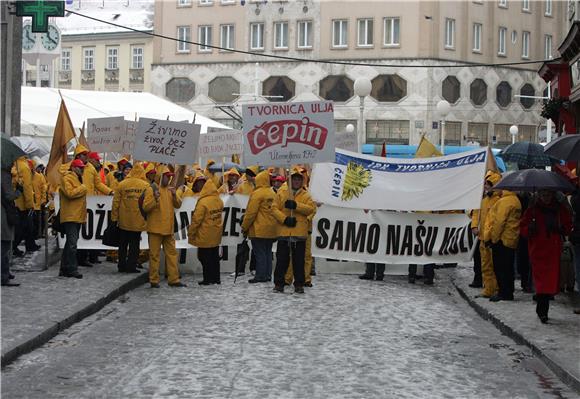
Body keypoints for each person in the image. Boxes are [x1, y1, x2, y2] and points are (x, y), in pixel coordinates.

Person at [521, 190, 572, 323]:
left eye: (548, 195)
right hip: (538, 250)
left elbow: (568, 225)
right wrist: (529, 229)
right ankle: (542, 310)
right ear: (539, 196)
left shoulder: (559, 210)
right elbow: (522, 228)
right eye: (543, 195)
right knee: (542, 280)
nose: (546, 198)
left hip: (553, 249)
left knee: (548, 280)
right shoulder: (532, 210)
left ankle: (542, 307)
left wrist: (561, 229)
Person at [272, 168, 315, 294]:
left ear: (302, 181)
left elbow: (311, 209)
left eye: (298, 179)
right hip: (284, 233)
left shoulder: (306, 195)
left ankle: (299, 284)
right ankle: (279, 284)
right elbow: (274, 209)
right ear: (290, 180)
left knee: (299, 262)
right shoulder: (282, 193)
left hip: (299, 234)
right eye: (294, 179)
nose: (296, 181)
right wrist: (284, 220)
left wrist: (296, 206)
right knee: (281, 260)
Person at [142, 168, 186, 288]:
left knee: (172, 255)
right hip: (155, 229)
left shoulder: (169, 190)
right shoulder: (151, 189)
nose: (169, 178)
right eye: (167, 176)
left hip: (168, 229)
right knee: (154, 256)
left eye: (170, 176)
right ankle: (154, 280)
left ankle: (174, 279)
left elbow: (178, 204)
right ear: (161, 176)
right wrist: (155, 199)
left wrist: (174, 195)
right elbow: (146, 207)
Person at [485, 189, 522, 302]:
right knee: (508, 267)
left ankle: (504, 293)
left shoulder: (505, 201)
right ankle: (508, 291)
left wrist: (494, 239)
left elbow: (499, 222)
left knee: (501, 267)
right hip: (511, 238)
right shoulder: (515, 200)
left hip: (502, 239)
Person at [241, 170, 277, 283]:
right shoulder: (272, 193)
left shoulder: (257, 193)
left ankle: (260, 275)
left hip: (259, 228)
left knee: (260, 253)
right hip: (271, 229)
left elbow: (251, 213)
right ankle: (267, 275)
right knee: (267, 252)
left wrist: (244, 226)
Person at [111, 163, 148, 274]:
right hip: (138, 220)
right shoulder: (145, 186)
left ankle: (121, 265)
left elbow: (115, 203)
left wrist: (114, 218)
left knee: (122, 244)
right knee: (134, 245)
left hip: (124, 220)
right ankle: (131, 266)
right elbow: (147, 203)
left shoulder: (122, 184)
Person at [188, 175, 224, 285]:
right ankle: (216, 278)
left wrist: (191, 233)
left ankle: (207, 279)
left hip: (205, 235)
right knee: (214, 258)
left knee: (204, 258)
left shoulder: (203, 202)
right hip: (216, 234)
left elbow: (196, 220)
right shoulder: (218, 200)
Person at [473, 171, 502, 298]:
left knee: (494, 265)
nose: (485, 187)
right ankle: (488, 288)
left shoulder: (498, 201)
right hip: (482, 238)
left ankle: (496, 288)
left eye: (488, 184)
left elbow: (496, 221)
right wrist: (474, 226)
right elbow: (475, 213)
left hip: (492, 239)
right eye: (485, 184)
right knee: (485, 265)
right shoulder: (484, 201)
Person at [58, 159, 88, 279]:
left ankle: (65, 268)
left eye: (83, 168)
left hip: (76, 215)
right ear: (74, 168)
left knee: (70, 244)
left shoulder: (77, 179)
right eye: (80, 168)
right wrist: (83, 188)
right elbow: (70, 194)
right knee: (72, 244)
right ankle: (71, 269)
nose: (82, 170)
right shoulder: (67, 178)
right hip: (71, 216)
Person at [11, 155, 38, 256]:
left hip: (15, 201)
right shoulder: (24, 167)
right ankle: (13, 247)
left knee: (23, 227)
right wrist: (30, 205)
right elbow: (27, 187)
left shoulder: (14, 165)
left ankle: (19, 246)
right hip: (22, 204)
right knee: (22, 227)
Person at [2, 167, 22, 286]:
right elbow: (9, 196)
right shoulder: (4, 175)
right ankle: (3, 276)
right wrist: (19, 191)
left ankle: (5, 272)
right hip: (3, 214)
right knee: (4, 246)